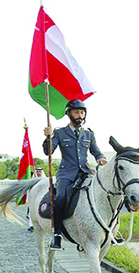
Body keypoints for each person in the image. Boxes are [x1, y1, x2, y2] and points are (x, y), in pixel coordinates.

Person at [43, 99, 107, 250]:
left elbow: (96, 151)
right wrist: (48, 137)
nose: (80, 115)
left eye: (82, 112)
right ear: (69, 114)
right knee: (61, 198)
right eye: (77, 112)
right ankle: (57, 234)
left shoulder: (89, 134)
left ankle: (108, 230)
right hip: (66, 173)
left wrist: (101, 158)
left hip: (85, 172)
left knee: (103, 194)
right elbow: (48, 152)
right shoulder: (59, 133)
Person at [27, 167, 46, 231]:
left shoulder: (44, 179)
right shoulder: (33, 179)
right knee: (31, 212)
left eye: (39, 171)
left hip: (41, 199)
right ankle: (31, 225)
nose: (38, 173)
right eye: (37, 171)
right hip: (33, 198)